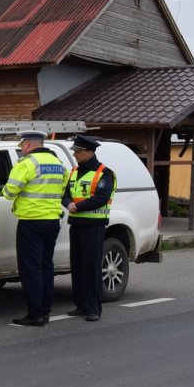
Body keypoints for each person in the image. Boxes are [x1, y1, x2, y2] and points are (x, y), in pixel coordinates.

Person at [2, 130, 70, 326]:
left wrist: (5, 188)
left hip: (31, 221)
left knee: (31, 269)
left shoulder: (27, 164)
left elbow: (9, 191)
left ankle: (35, 314)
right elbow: (64, 187)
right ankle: (45, 311)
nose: (22, 149)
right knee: (46, 266)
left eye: (22, 145)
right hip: (52, 221)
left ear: (29, 144)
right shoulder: (59, 164)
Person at [62, 135, 115, 321]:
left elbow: (101, 197)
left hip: (94, 225)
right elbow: (65, 193)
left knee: (91, 266)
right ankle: (81, 305)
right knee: (77, 266)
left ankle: (93, 308)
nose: (75, 154)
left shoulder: (104, 173)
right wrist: (68, 203)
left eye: (78, 151)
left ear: (90, 152)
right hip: (76, 224)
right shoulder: (74, 171)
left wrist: (78, 206)